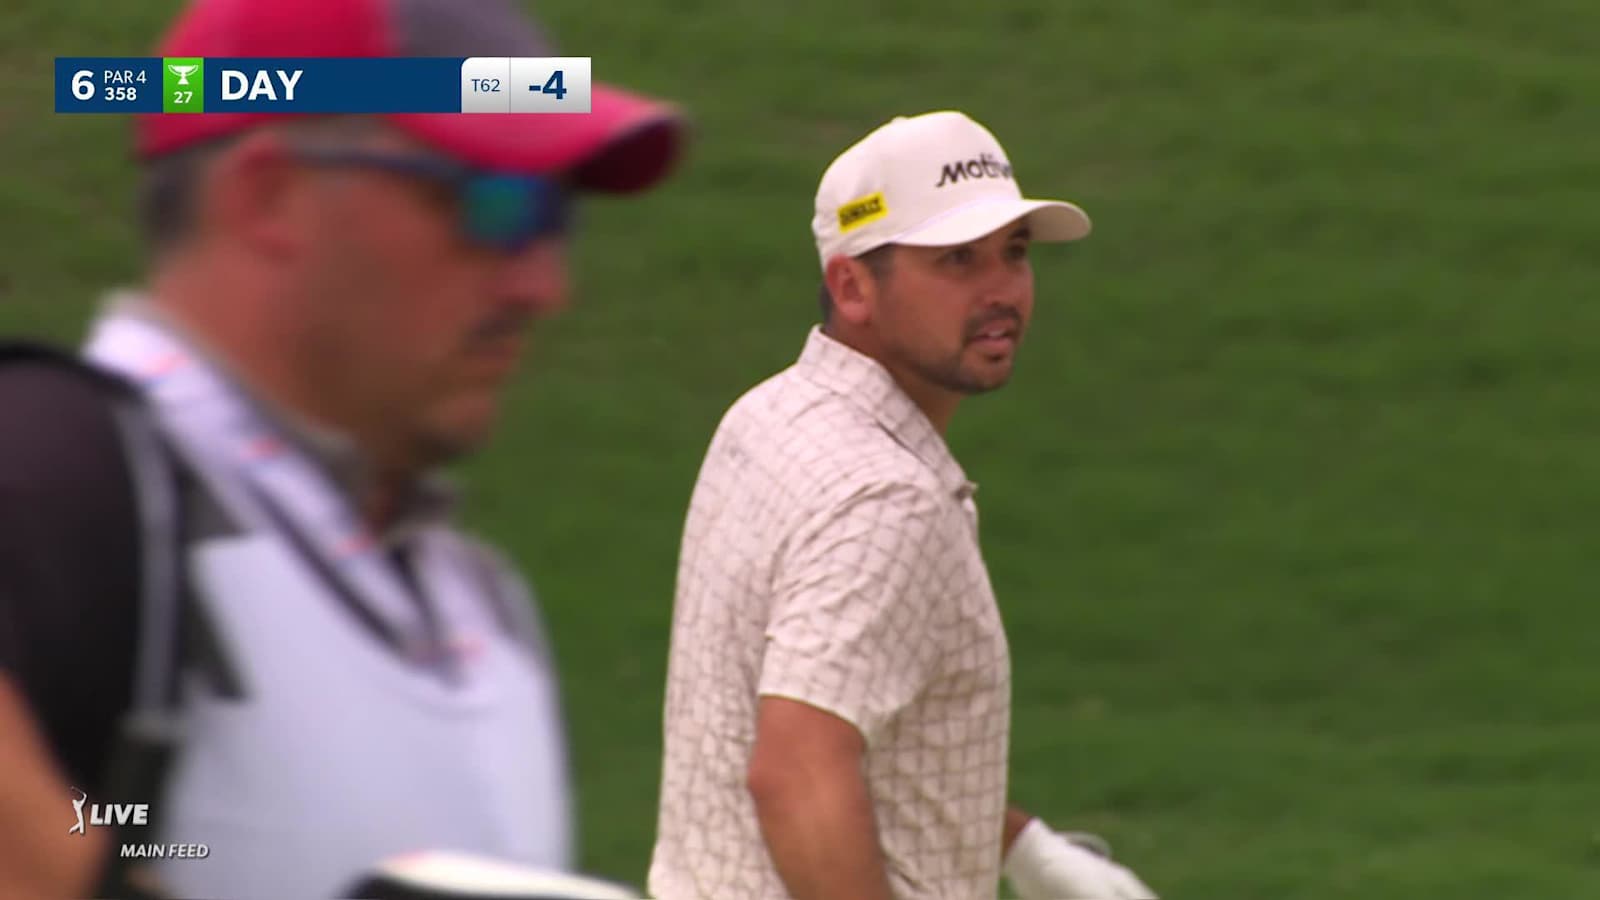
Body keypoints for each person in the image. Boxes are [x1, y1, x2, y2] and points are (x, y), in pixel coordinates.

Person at [0, 1, 686, 898]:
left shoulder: (476, 604)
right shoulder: (56, 478)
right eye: (492, 203)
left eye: (555, 215)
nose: (542, 285)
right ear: (268, 196)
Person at [647, 110, 1157, 900]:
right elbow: (794, 771)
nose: (1002, 292)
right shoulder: (886, 500)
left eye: (1013, 253)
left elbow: (846, 720)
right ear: (852, 285)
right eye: (956, 259)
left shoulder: (767, 417)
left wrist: (1021, 845)